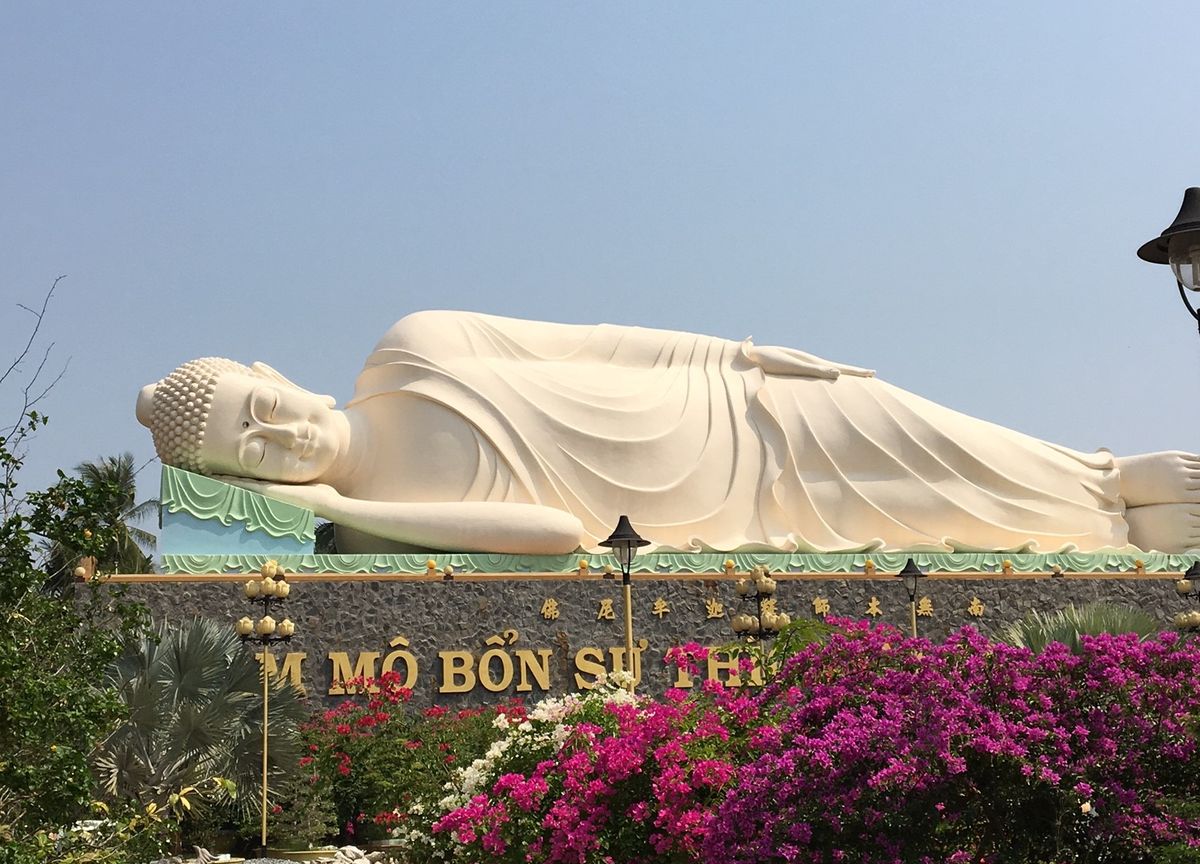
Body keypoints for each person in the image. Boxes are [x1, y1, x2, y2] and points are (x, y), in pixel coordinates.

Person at [136, 310, 1200, 555]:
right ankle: (1130, 530)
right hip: (724, 512)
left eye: (261, 409)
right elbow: (557, 534)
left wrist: (736, 357)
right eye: (251, 451)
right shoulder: (373, 518)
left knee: (945, 441)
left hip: (733, 410)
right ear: (247, 480)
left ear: (274, 375)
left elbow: (603, 347)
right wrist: (333, 505)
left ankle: (1110, 473)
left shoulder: (410, 348)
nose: (280, 436)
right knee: (955, 519)